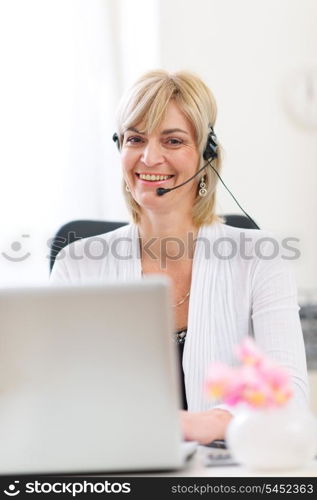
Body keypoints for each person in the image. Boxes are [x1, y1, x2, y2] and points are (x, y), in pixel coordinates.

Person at [50, 69, 309, 444]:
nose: (150, 157)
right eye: (135, 139)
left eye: (173, 141)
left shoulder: (260, 259)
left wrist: (208, 423)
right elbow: (55, 395)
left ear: (206, 154)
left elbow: (290, 398)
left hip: (227, 472)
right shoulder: (77, 264)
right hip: (116, 466)